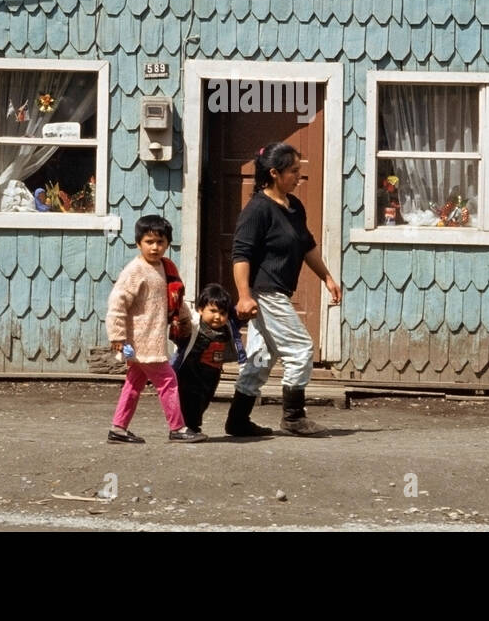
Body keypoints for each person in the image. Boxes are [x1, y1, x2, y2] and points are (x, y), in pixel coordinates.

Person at [227, 142, 341, 437]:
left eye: (300, 171)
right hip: (266, 293)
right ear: (275, 173)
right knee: (301, 348)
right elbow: (240, 255)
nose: (298, 177)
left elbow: (307, 246)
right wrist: (244, 295)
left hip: (276, 292)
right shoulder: (257, 210)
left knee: (261, 359)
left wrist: (326, 277)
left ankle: (237, 420)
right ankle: (293, 417)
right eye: (293, 171)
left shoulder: (293, 207)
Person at [105, 214, 206, 444]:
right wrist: (118, 336)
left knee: (133, 383)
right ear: (138, 242)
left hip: (151, 341)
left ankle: (118, 428)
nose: (155, 247)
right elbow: (117, 304)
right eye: (149, 242)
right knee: (168, 381)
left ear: (168, 243)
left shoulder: (167, 268)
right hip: (140, 341)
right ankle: (177, 428)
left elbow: (176, 299)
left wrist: (186, 323)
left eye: (160, 242)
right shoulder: (135, 271)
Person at [173, 283, 235, 435]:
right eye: (212, 311)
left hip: (212, 372)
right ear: (200, 309)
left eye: (222, 313)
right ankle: (190, 427)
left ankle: (192, 425)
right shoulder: (195, 326)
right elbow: (179, 335)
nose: (217, 317)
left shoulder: (226, 329)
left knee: (204, 400)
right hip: (192, 370)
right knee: (189, 399)